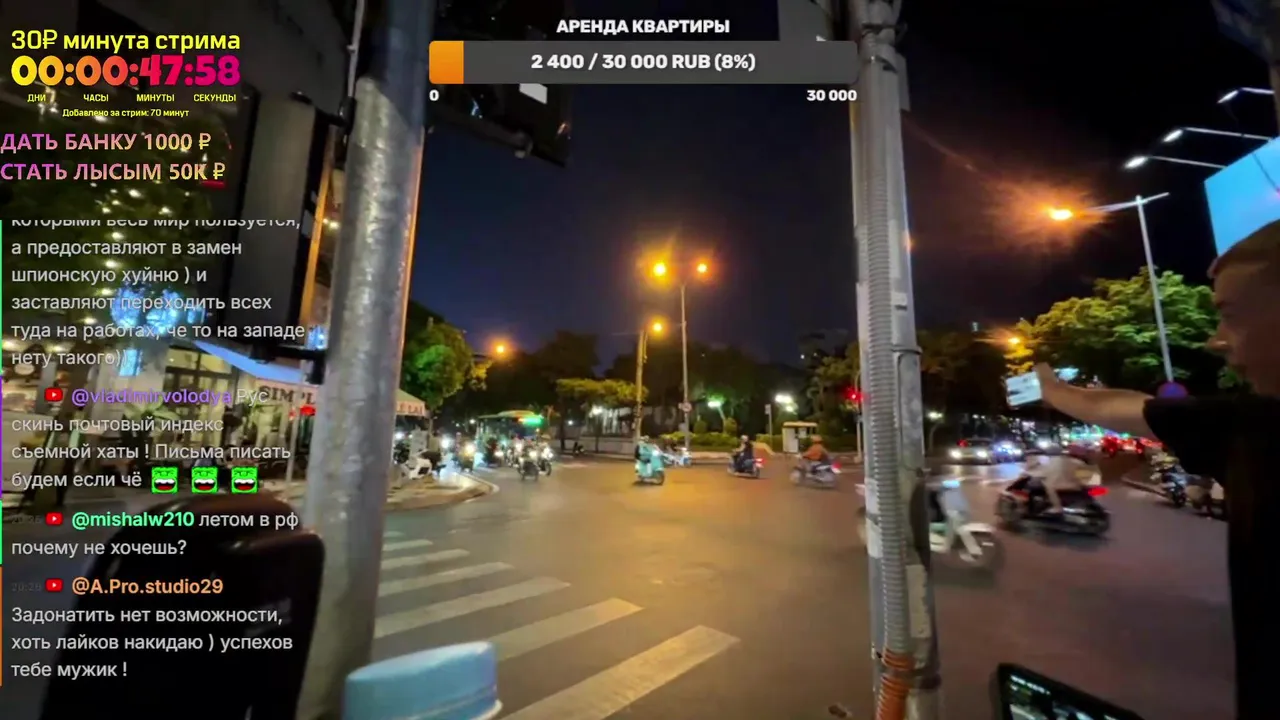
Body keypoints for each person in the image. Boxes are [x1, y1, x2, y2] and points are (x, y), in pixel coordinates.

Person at [1032, 219, 1280, 719]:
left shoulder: (1255, 431)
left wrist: (1052, 390)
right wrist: (1055, 391)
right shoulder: (1249, 427)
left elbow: (1118, 408)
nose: (1216, 341)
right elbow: (1125, 407)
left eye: (1231, 316)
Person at [1021, 444, 1096, 515]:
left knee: (1048, 485)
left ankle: (1057, 507)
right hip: (1081, 486)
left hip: (1069, 486)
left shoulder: (1052, 462)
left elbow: (1039, 473)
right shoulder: (1077, 461)